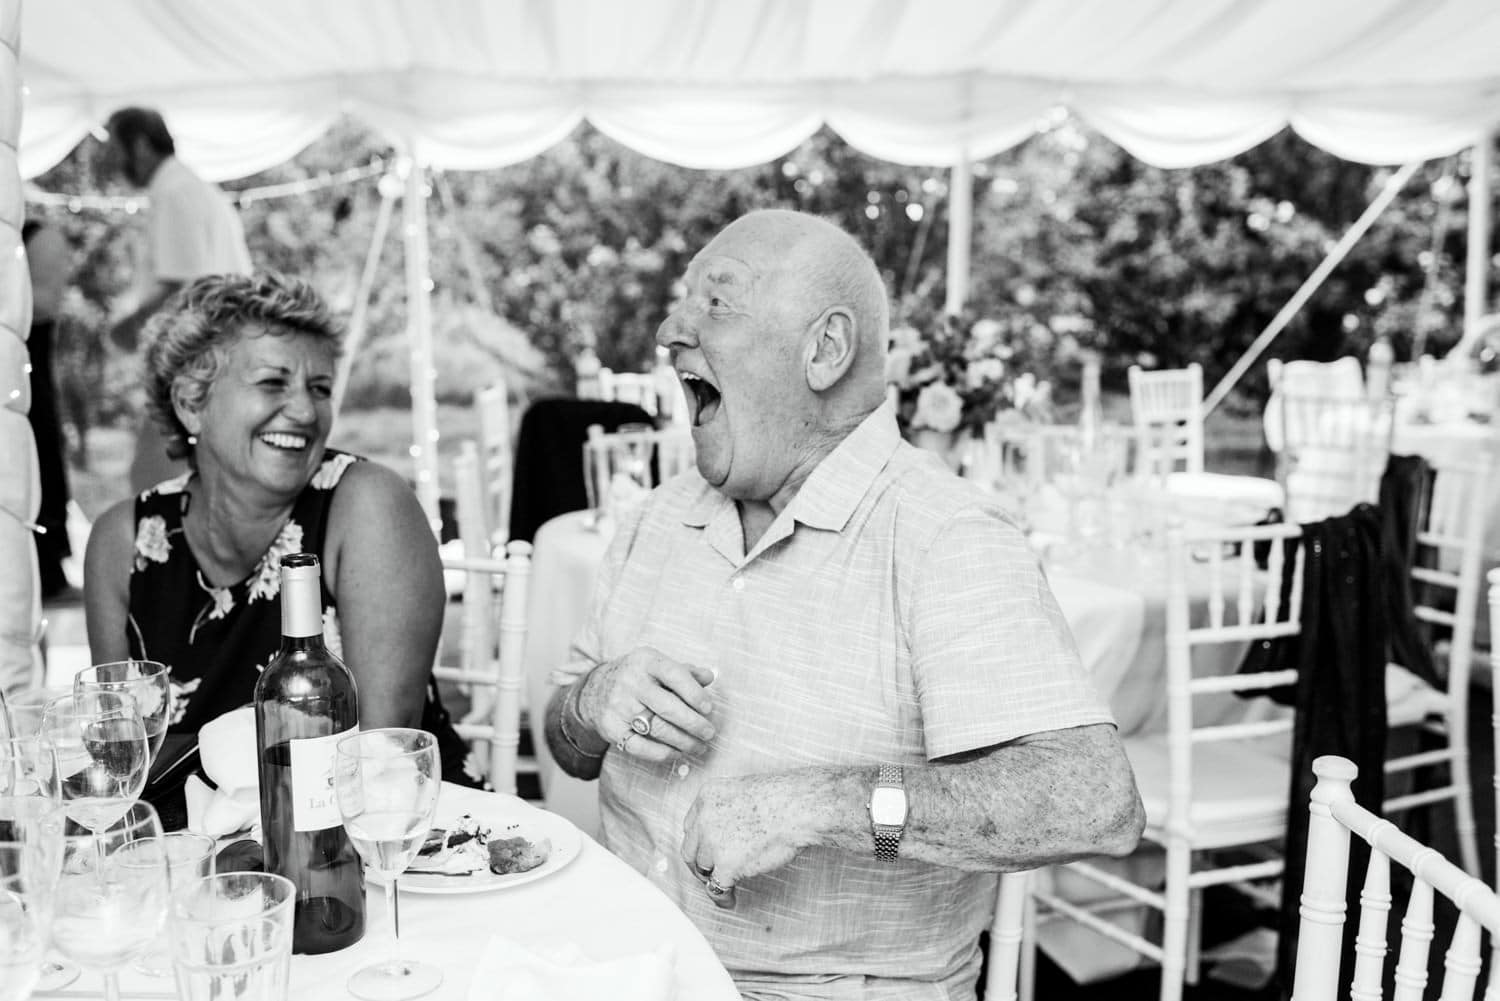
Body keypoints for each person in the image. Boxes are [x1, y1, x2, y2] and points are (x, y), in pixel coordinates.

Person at [544, 209, 1145, 1000]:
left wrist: (830, 806)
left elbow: (1091, 801)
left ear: (824, 350)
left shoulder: (944, 537)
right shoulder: (656, 518)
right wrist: (591, 700)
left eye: (716, 303)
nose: (667, 330)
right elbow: (567, 744)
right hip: (618, 963)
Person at [83, 272, 480, 786]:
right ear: (191, 404)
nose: (304, 411)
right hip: (193, 850)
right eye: (273, 382)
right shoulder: (123, 541)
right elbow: (120, 763)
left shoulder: (367, 507)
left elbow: (382, 757)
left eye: (319, 389)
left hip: (389, 837)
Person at [101, 107, 253, 494]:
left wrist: (126, 329)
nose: (109, 161)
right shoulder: (190, 187)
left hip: (197, 361)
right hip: (217, 356)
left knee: (153, 484)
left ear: (139, 145)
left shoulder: (174, 192)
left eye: (113, 148)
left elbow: (184, 287)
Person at [21, 220, 74, 598]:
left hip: (28, 383)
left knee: (36, 461)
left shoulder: (40, 236)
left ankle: (46, 570)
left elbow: (45, 304)